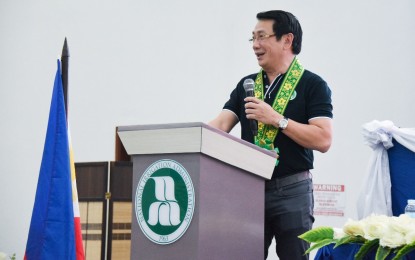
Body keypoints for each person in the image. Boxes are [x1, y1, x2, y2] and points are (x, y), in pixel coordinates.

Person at [209, 10, 333, 260]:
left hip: (292, 189)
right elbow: (220, 125)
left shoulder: (313, 85)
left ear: (287, 40)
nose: (255, 45)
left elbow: (323, 140)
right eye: (252, 38)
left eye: (262, 37)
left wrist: (277, 119)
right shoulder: (247, 84)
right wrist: (188, 140)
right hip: (249, 187)